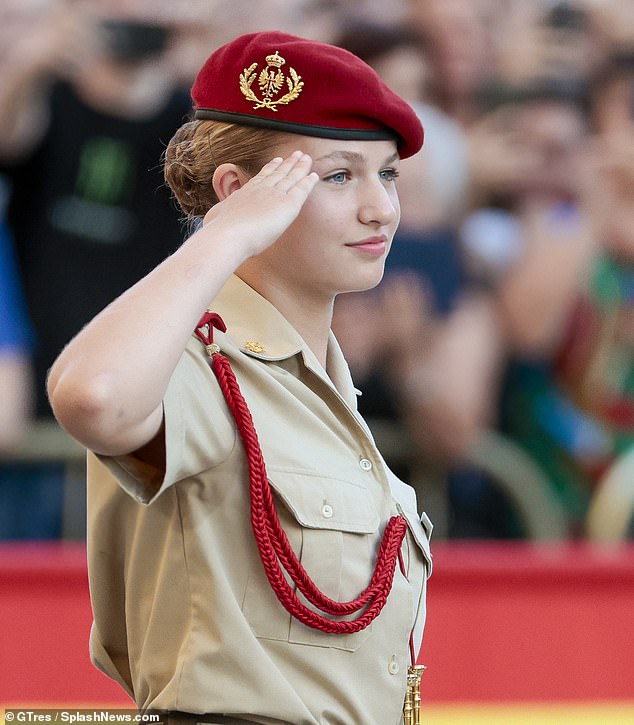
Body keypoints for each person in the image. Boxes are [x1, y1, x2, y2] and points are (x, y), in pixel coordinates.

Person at [47, 30, 433, 724]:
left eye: (388, 173)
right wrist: (224, 235)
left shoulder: (321, 385)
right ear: (237, 192)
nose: (380, 207)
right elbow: (93, 397)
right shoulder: (198, 360)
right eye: (338, 175)